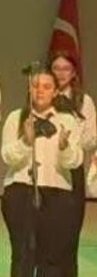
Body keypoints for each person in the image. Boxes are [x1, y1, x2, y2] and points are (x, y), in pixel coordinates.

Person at [0, 69, 82, 277]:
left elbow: (75, 161)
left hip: (57, 193)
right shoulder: (16, 118)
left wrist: (64, 148)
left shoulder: (67, 120)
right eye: (35, 86)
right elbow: (7, 156)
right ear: (29, 89)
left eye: (46, 87)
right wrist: (25, 142)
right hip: (21, 191)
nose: (40, 91)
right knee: (22, 255)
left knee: (52, 257)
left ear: (55, 92)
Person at [48, 51, 95, 277]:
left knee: (70, 229)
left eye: (66, 69)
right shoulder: (42, 95)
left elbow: (92, 138)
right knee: (47, 230)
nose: (61, 73)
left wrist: (71, 135)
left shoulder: (83, 101)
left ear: (74, 72)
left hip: (72, 167)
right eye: (56, 68)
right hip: (47, 168)